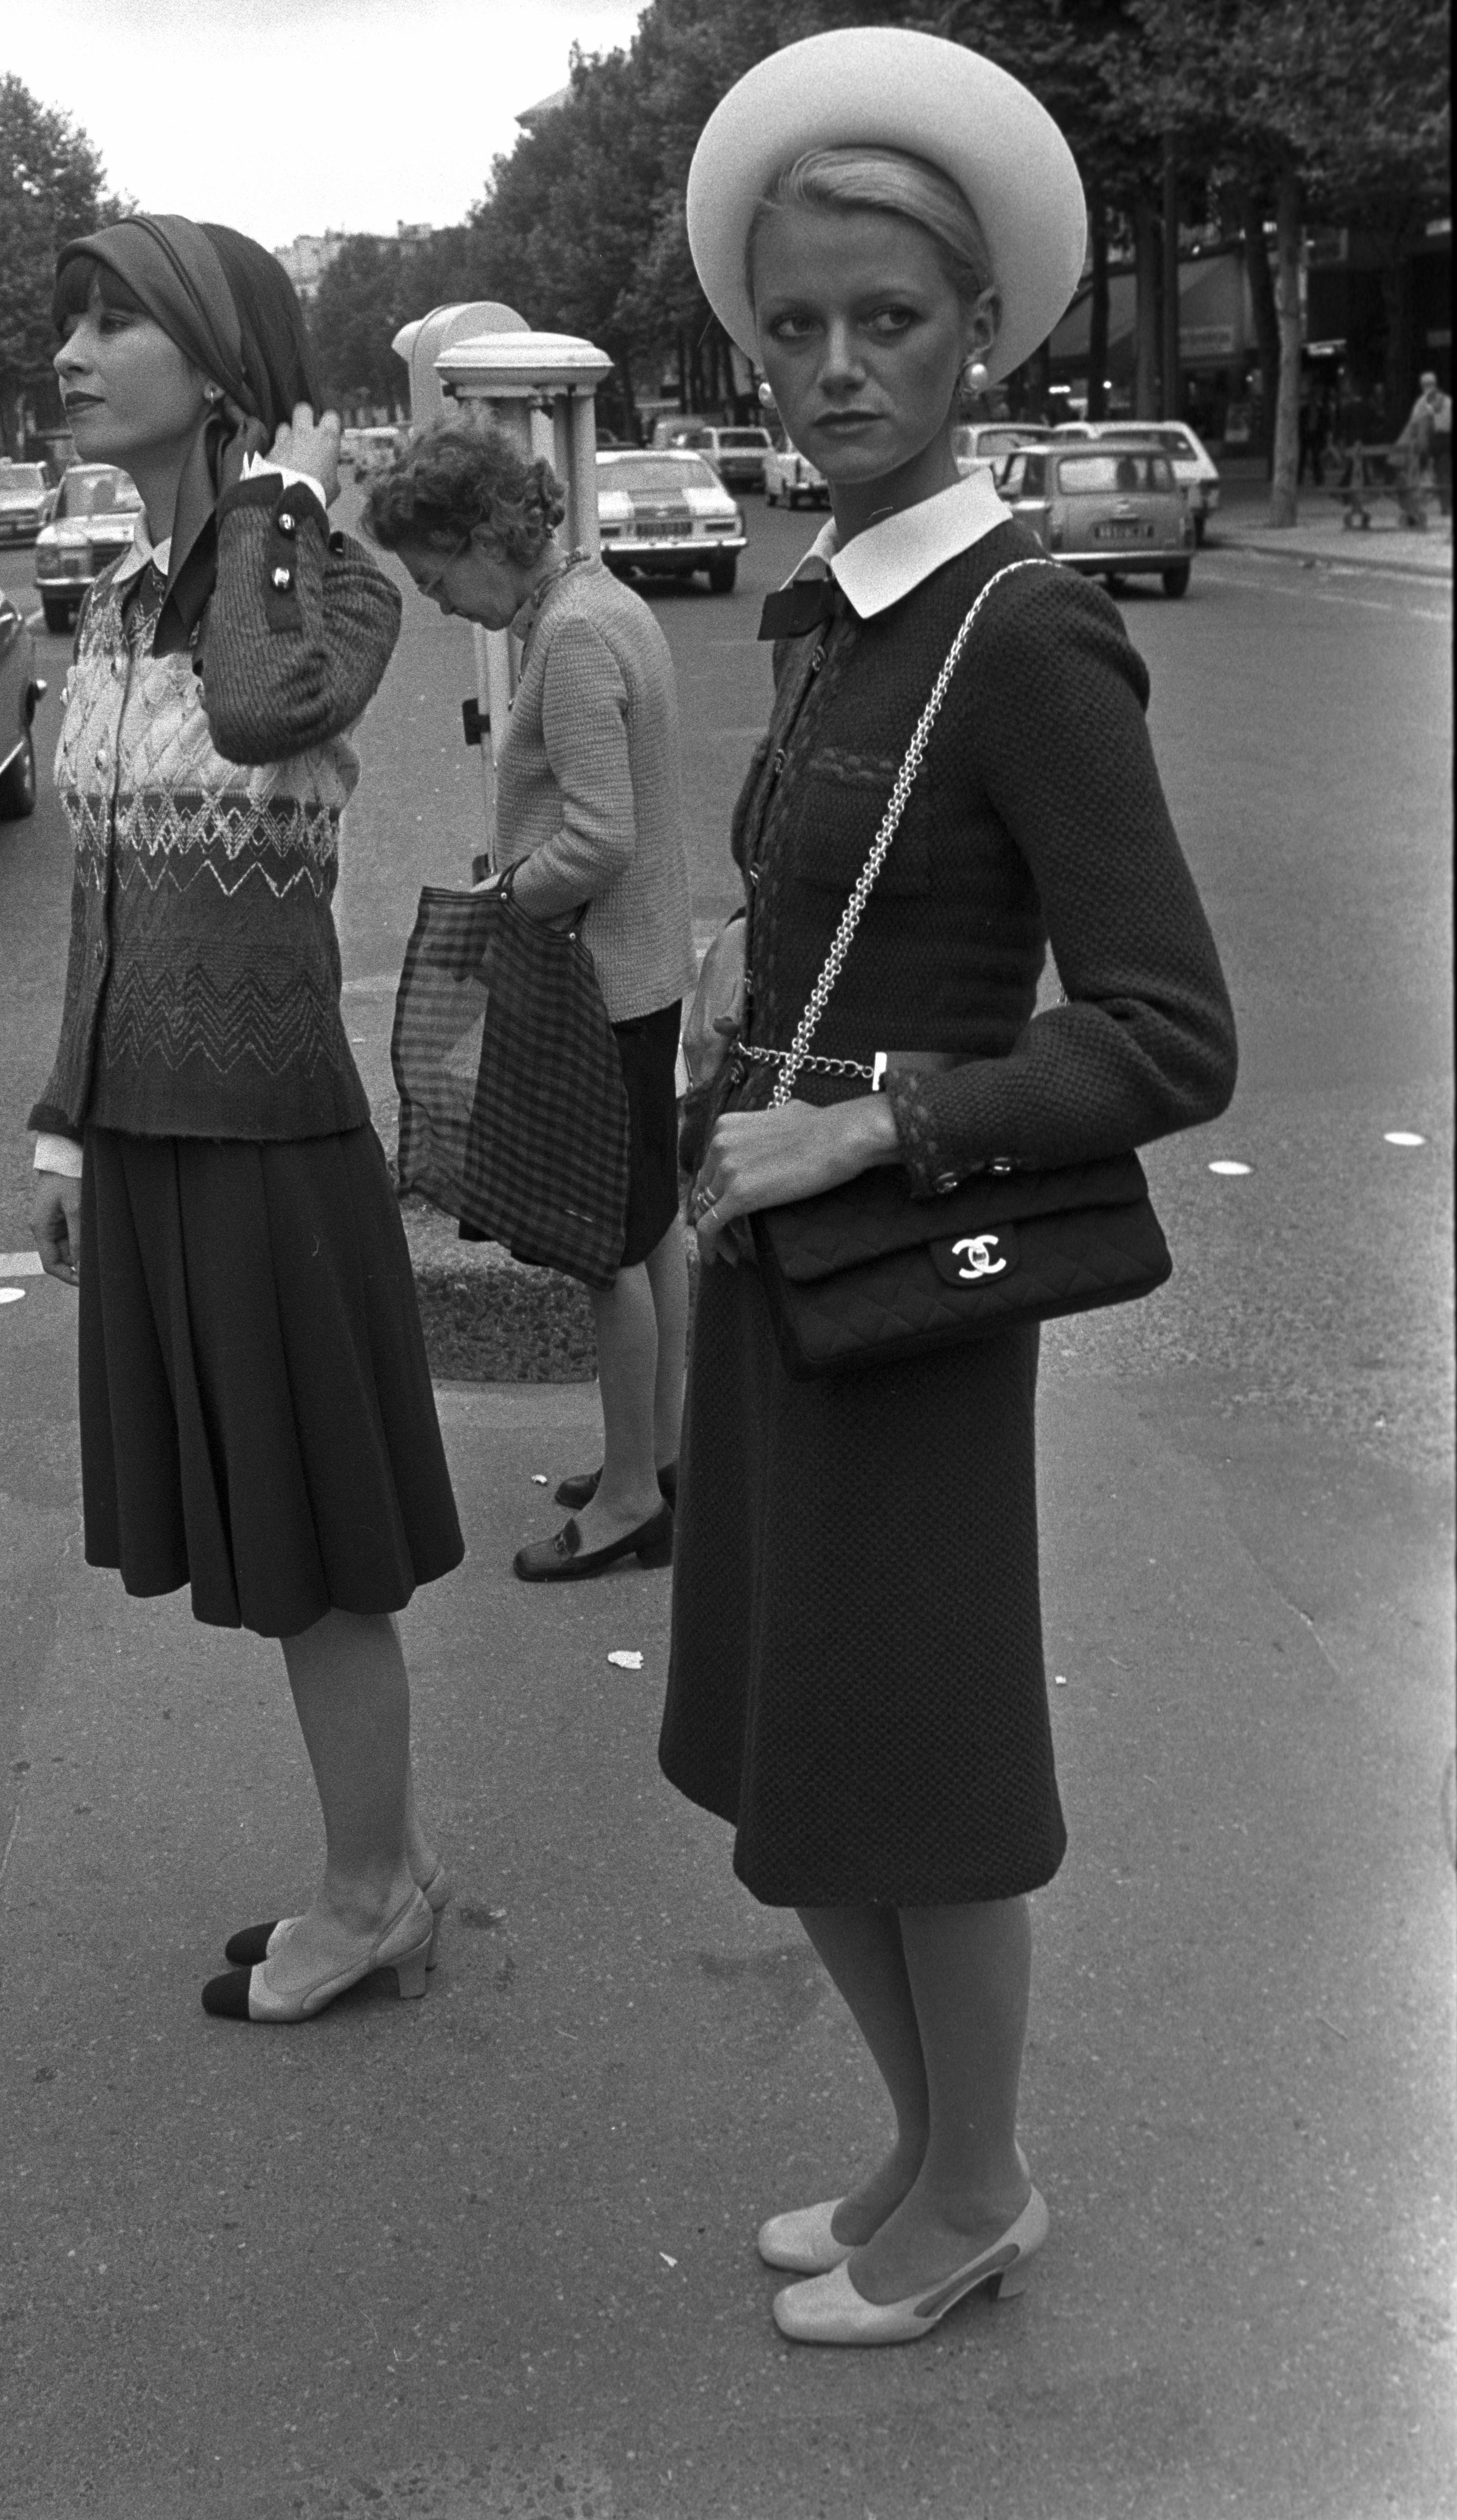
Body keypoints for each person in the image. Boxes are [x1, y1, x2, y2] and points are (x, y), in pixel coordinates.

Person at [658, 28, 1237, 2347]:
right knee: (796, 1751)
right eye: (791, 323)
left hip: (903, 1274)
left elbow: (1169, 1033)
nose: (832, 367)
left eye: (884, 320)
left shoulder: (1023, 630)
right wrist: (745, 974)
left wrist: (869, 1116)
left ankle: (979, 2186)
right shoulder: (834, 606)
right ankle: (918, 2148)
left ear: (980, 335)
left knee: (917, 1763)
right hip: (769, 1253)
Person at [29, 215, 464, 2026]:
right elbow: (98, 894)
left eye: (113, 321)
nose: (70, 352)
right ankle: (382, 1875)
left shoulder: (321, 583)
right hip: (149, 1139)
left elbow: (267, 704)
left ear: (217, 370)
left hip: (270, 1144)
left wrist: (273, 506)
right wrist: (65, 1128)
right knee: (277, 1545)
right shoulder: (118, 599)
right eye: (67, 319)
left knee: (317, 1552)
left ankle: (372, 1898)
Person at [364, 421, 698, 1582]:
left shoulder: (570, 639)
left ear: (479, 539)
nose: (439, 603)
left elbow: (599, 839)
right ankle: (662, 1458)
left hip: (591, 986)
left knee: (601, 1251)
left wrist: (505, 897)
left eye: (434, 578)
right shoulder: (609, 604)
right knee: (649, 1228)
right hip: (641, 974)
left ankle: (628, 1500)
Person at [1400, 371, 1452, 518]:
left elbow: (1414, 422)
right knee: (1444, 473)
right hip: (1445, 440)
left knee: (1421, 474)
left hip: (1431, 441)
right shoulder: (1447, 400)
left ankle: (1418, 506)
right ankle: (1446, 506)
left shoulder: (1423, 402)